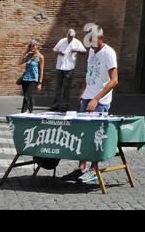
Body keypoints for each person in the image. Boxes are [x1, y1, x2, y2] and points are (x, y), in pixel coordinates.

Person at [63, 22, 118, 184]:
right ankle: (81, 169)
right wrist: (83, 94)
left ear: (100, 38)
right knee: (81, 134)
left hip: (100, 102)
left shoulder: (109, 53)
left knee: (95, 137)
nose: (91, 45)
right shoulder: (92, 53)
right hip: (88, 98)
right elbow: (89, 75)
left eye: (92, 41)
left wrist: (97, 98)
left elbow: (114, 80)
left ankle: (93, 170)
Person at [50, 27, 86, 112]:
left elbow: (84, 52)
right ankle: (55, 105)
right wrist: (60, 52)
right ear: (67, 35)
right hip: (59, 66)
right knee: (58, 87)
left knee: (66, 87)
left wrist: (77, 50)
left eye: (72, 37)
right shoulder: (62, 41)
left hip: (69, 67)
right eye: (69, 36)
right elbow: (54, 50)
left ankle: (65, 106)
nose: (70, 38)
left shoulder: (77, 42)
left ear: (74, 36)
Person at [19, 39, 43, 113]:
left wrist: (40, 83)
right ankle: (31, 111)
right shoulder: (29, 56)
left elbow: (41, 70)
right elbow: (19, 62)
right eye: (30, 46)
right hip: (25, 79)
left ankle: (22, 112)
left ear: (37, 47)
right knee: (29, 96)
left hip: (33, 79)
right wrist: (25, 52)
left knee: (26, 97)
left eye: (33, 46)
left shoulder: (40, 57)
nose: (31, 47)